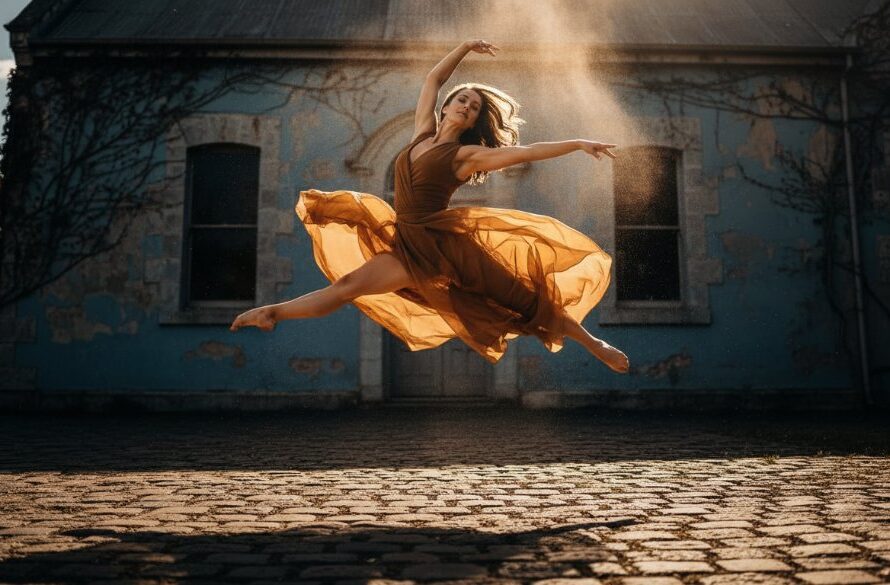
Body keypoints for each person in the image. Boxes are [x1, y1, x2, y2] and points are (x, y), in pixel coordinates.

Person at [231, 40, 629, 374]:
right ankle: (273, 313)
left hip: (444, 248)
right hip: (405, 243)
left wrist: (578, 143)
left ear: (474, 120)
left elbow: (526, 151)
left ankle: (594, 343)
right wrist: (466, 47)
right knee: (347, 287)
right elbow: (432, 79)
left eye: (472, 107)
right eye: (462, 100)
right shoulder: (421, 133)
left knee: (523, 299)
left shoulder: (467, 155)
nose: (465, 107)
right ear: (447, 106)